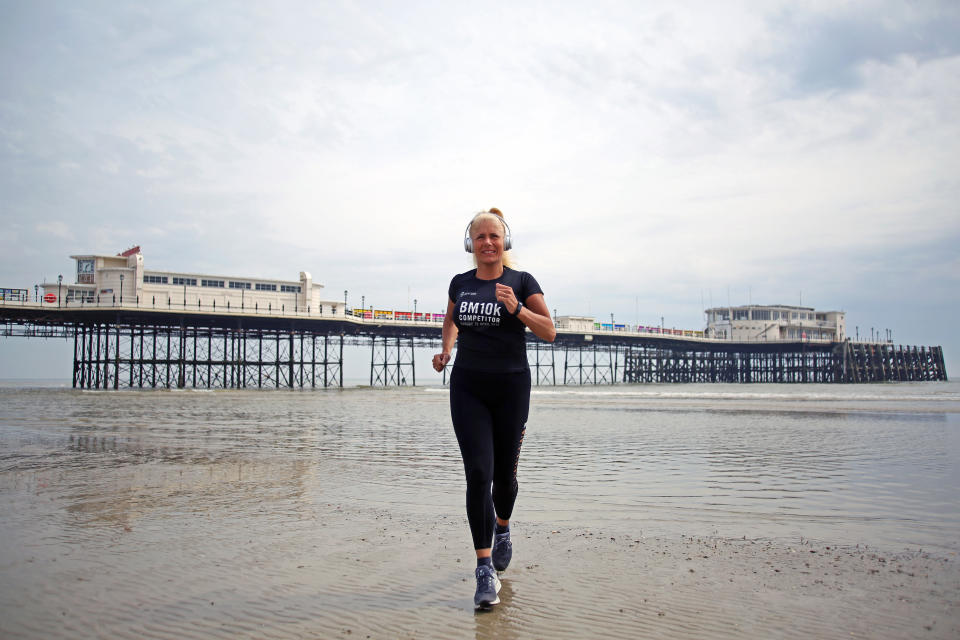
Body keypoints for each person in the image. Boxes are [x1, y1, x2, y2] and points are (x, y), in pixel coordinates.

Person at [432, 208, 556, 609]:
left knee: (504, 478)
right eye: (480, 236)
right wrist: (446, 349)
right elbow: (450, 320)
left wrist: (517, 308)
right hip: (468, 386)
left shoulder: (522, 281)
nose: (487, 242)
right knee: (478, 473)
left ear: (505, 241)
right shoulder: (461, 283)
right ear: (471, 243)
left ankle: (502, 527)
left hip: (511, 388)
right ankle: (484, 569)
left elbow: (549, 332)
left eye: (494, 236)